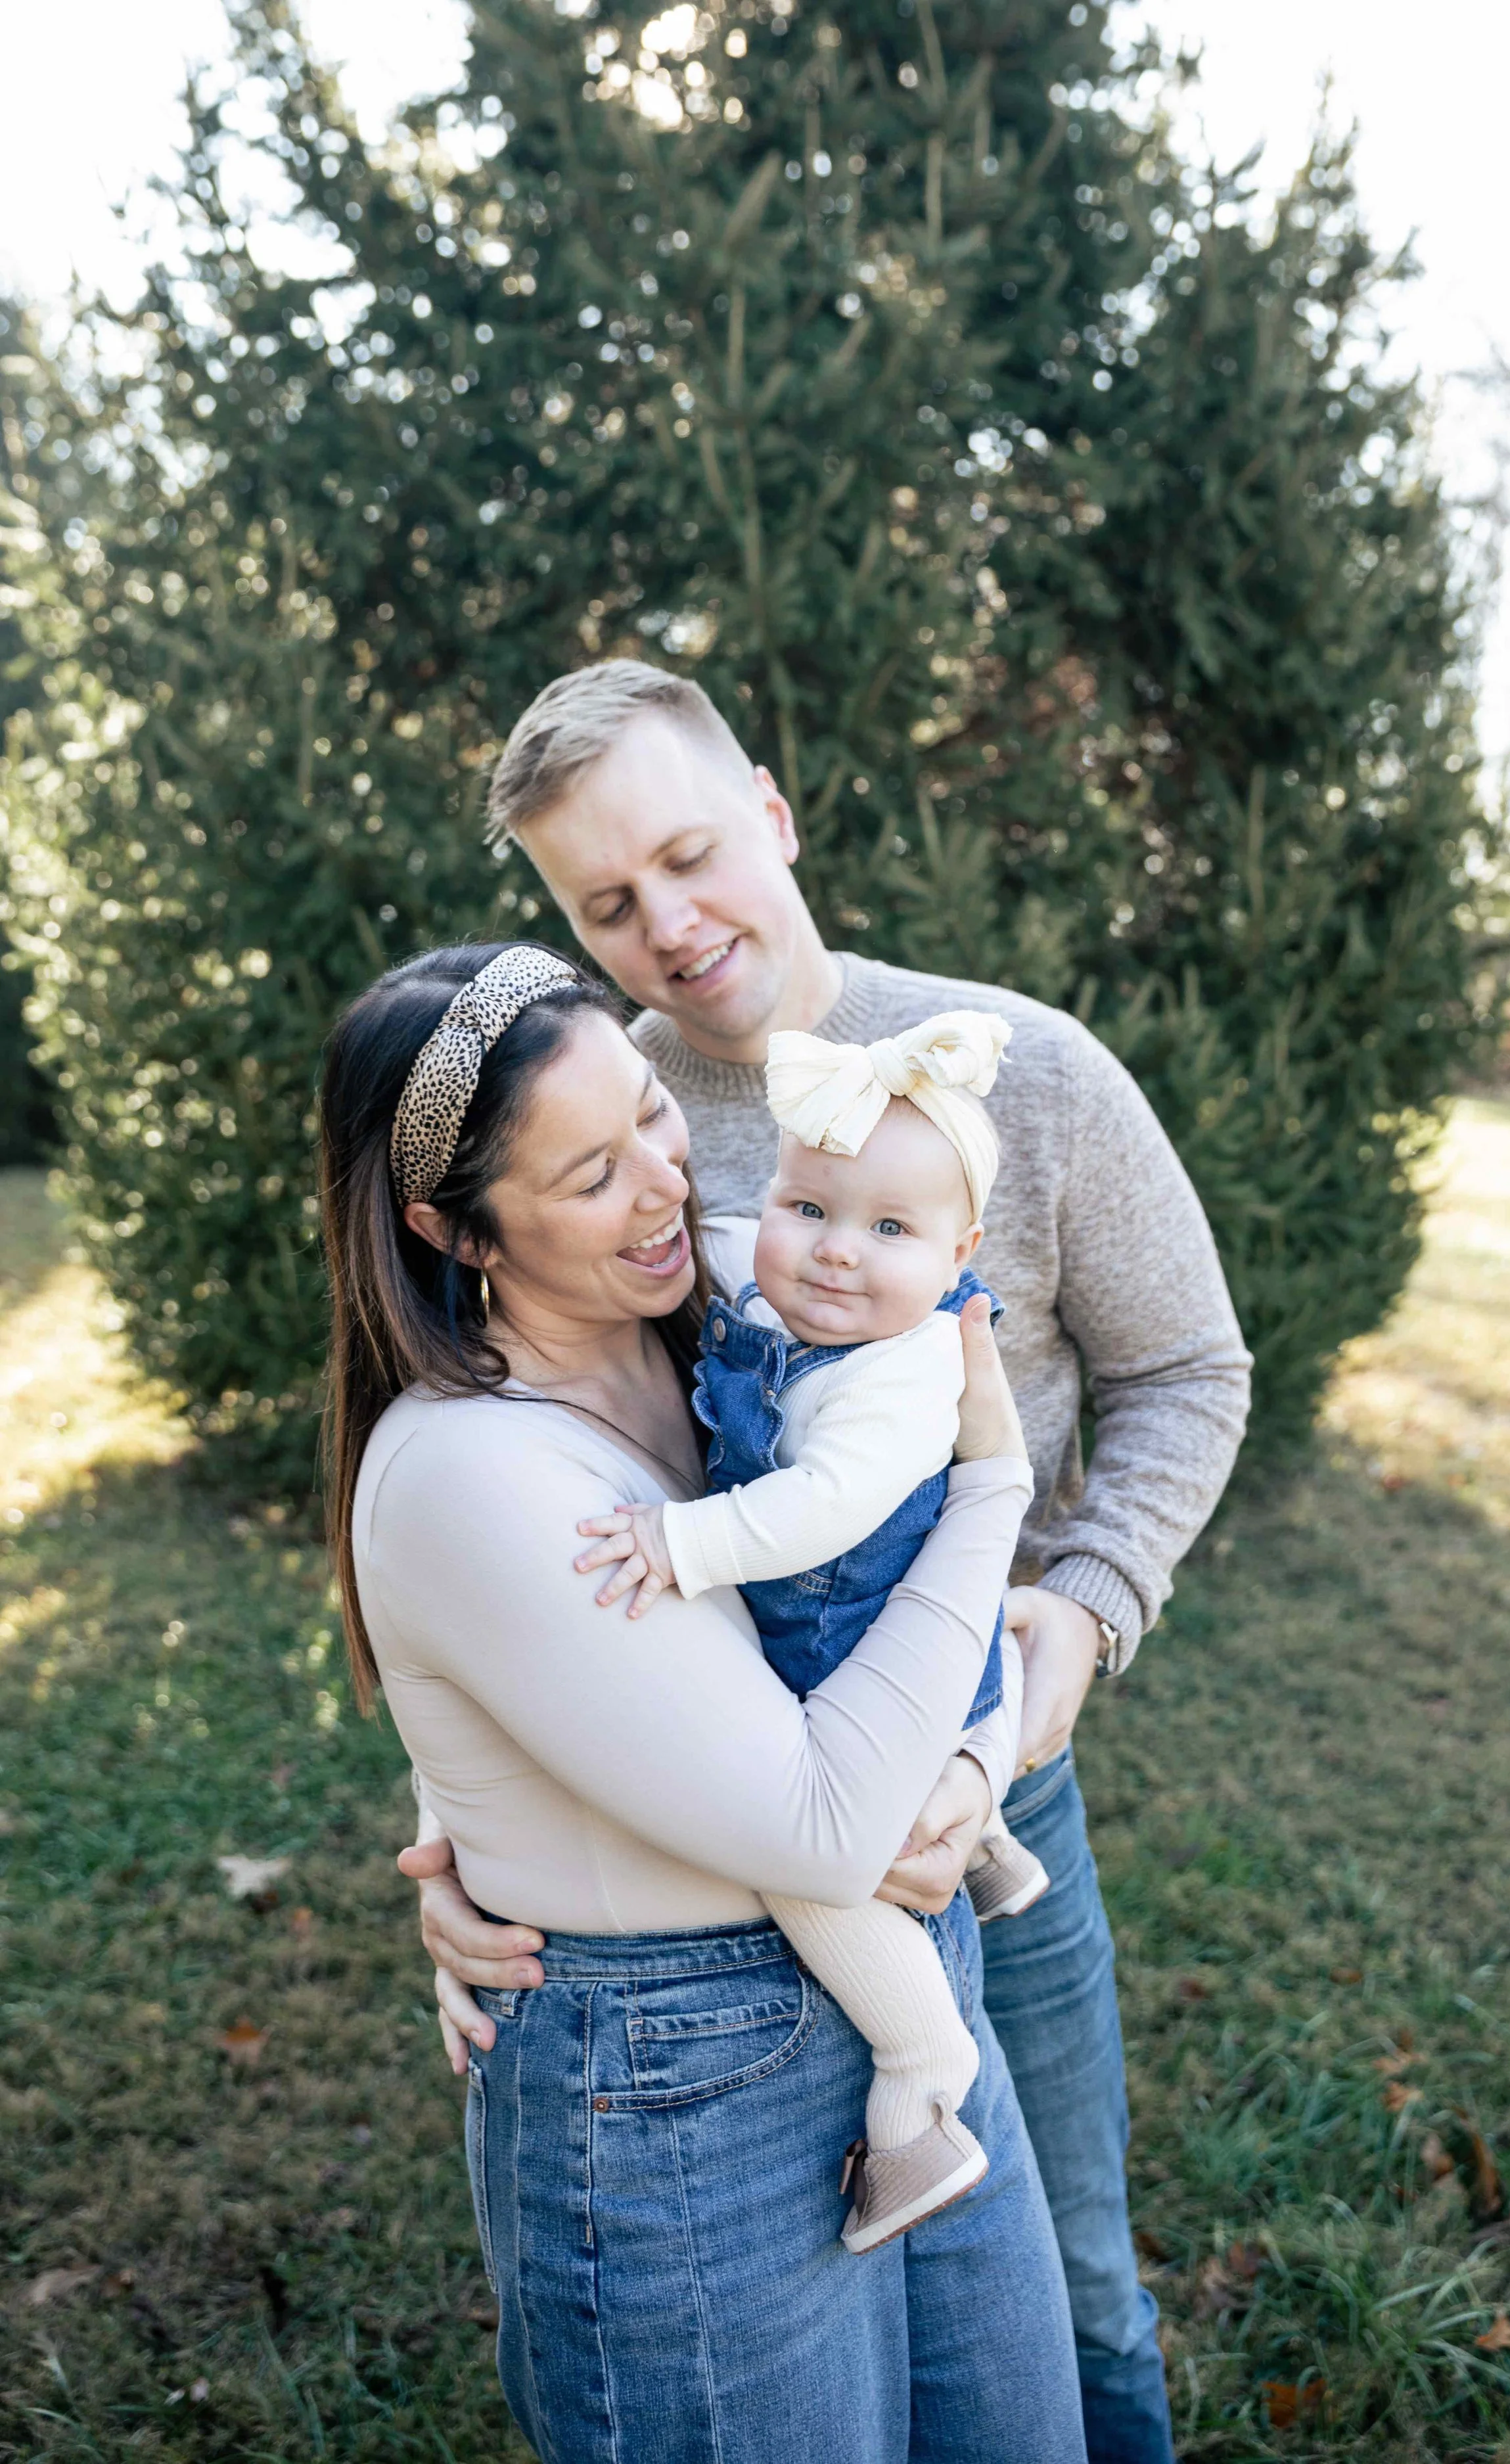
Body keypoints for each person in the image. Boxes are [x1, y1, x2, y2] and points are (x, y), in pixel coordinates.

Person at [407, 659, 1253, 2462]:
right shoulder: (588, 1128)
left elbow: (1188, 1368)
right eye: (605, 903)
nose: (670, 926)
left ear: (774, 814)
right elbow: (521, 1488)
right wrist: (467, 1832)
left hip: (990, 1778)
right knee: (863, 2325)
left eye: (691, 856)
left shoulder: (1016, 1073)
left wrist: (1076, 1616)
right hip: (724, 1826)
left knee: (1072, 2280)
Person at [322, 940, 1086, 2462]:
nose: (670, 1186)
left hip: (902, 1990)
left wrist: (970, 1765)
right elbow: (819, 1818)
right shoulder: (475, 1473)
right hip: (682, 2092)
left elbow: (913, 1629)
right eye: (592, 1173)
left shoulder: (740, 1287)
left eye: (653, 1116)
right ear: (452, 1229)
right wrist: (994, 1492)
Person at [576, 1009, 1051, 2254]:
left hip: (864, 1652)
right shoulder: (765, 1268)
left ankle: (917, 2060)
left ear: (961, 1253)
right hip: (894, 1642)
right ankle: (991, 1844)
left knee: (803, 1866)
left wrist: (683, 1543)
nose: (837, 1254)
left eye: (891, 1230)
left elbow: (824, 1505)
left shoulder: (907, 1372)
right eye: (809, 1210)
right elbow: (727, 1234)